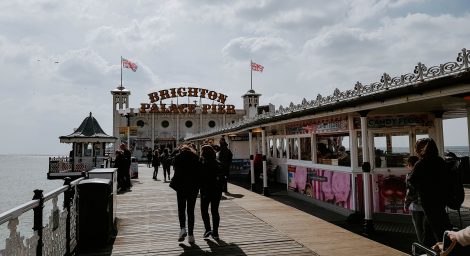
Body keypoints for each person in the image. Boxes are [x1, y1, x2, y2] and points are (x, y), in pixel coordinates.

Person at [408, 138, 452, 247]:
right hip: (441, 200)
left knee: (438, 230)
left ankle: (445, 249)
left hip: (428, 201)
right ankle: (427, 248)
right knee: (429, 227)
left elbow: (412, 180)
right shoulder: (440, 161)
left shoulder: (421, 163)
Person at [171, 144, 201, 244]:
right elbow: (198, 172)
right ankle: (191, 235)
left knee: (181, 209)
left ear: (181, 150)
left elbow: (174, 168)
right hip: (193, 187)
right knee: (190, 211)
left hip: (181, 187)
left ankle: (183, 229)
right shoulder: (196, 157)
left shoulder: (177, 157)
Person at [199, 145, 224, 240]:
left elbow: (199, 178)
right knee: (215, 211)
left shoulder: (202, 163)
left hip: (205, 191)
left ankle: (208, 229)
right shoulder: (217, 162)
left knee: (204, 210)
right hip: (217, 190)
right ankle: (216, 232)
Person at [404, 155, 424, 243]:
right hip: (428, 205)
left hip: (416, 206)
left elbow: (410, 193)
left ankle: (423, 248)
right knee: (428, 228)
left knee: (419, 229)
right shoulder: (425, 173)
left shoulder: (410, 176)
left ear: (410, 165)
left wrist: (406, 204)